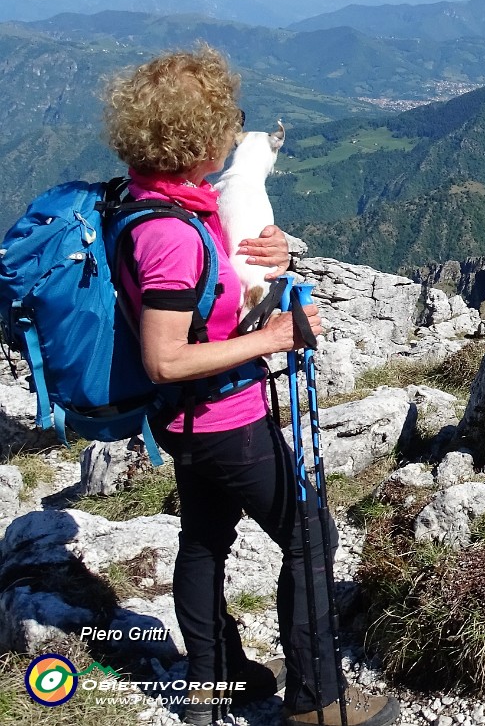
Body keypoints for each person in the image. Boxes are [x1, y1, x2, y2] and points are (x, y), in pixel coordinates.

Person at [103, 44, 400, 726]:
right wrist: (276, 337)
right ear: (196, 136)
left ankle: (213, 687)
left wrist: (272, 252)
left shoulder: (148, 197)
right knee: (310, 537)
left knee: (206, 540)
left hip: (185, 421)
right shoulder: (171, 234)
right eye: (224, 119)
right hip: (222, 417)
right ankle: (317, 701)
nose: (233, 129)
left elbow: (210, 278)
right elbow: (165, 358)